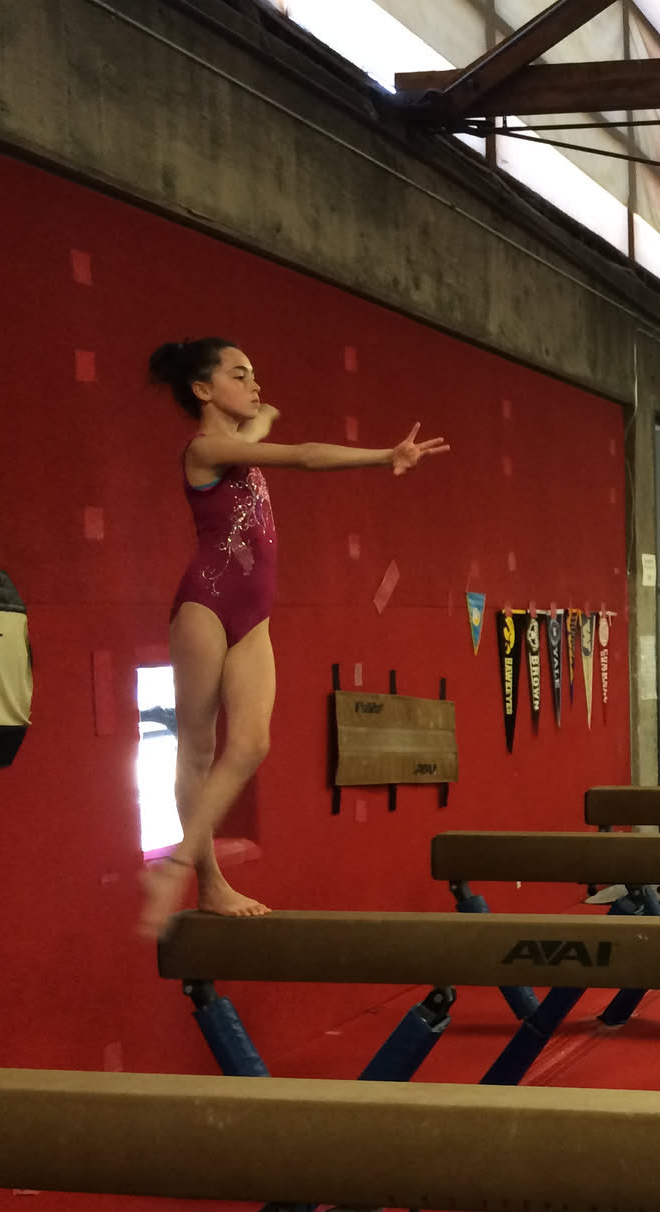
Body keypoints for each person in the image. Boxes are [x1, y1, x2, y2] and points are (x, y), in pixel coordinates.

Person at [137, 338, 449, 938]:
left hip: (254, 616)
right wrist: (385, 454)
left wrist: (261, 419)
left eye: (255, 375)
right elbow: (304, 457)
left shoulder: (238, 446)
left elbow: (254, 436)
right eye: (239, 375)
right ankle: (197, 877)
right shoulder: (203, 448)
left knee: (251, 744)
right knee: (197, 748)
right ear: (202, 389)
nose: (255, 385)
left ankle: (184, 868)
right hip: (205, 605)